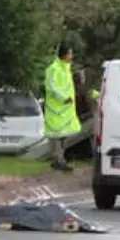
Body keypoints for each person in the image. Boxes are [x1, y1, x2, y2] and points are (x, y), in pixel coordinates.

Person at [43, 43, 80, 172]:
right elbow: (51, 87)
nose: (72, 56)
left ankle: (59, 159)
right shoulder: (54, 69)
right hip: (57, 109)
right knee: (58, 135)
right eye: (70, 53)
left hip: (66, 109)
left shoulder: (66, 68)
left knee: (65, 134)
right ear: (64, 55)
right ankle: (58, 160)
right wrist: (64, 98)